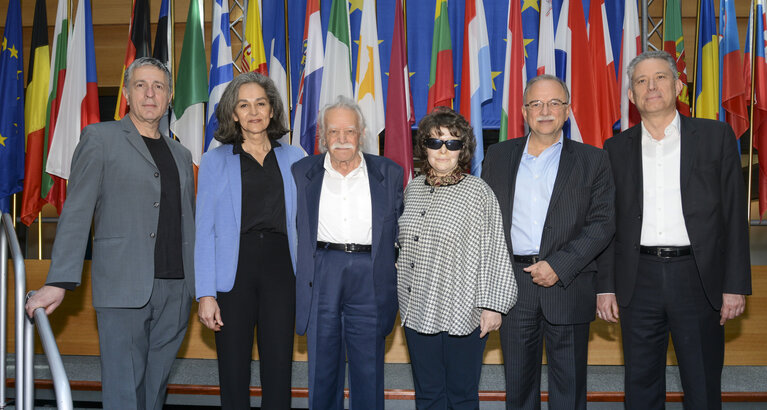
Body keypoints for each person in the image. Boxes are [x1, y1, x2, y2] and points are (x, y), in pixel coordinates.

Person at [25, 57, 195, 410]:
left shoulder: (182, 154)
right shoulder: (100, 138)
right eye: (141, 85)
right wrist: (59, 280)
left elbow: (187, 221)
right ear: (128, 95)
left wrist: (199, 287)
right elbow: (76, 212)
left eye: (159, 86)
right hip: (122, 288)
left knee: (154, 394)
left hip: (176, 290)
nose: (150, 93)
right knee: (123, 395)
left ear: (169, 97)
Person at [597, 50, 751, 410]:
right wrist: (605, 287)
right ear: (632, 96)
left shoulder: (716, 137)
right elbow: (608, 224)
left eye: (661, 77)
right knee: (640, 384)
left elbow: (732, 215)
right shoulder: (614, 149)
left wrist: (734, 286)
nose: (652, 86)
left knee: (702, 383)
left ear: (678, 86)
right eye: (641, 81)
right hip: (638, 280)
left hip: (698, 277)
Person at [482, 74, 615, 410]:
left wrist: (559, 265)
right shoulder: (497, 156)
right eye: (536, 103)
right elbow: (484, 221)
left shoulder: (593, 160)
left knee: (568, 389)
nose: (545, 110)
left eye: (554, 103)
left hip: (568, 285)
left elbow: (602, 223)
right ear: (524, 111)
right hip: (513, 285)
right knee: (519, 388)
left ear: (567, 111)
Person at [195, 72, 304, 409]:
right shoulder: (214, 161)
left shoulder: (296, 157)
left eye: (261, 103)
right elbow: (204, 232)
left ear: (272, 111)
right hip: (233, 273)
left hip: (281, 269)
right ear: (233, 113)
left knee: (278, 369)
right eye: (244, 105)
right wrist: (205, 294)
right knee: (233, 370)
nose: (253, 112)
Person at [397, 107, 517, 409]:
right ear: (424, 146)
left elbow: (495, 250)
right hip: (418, 308)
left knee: (461, 395)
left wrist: (493, 306)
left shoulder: (478, 191)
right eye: (435, 142)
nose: (443, 150)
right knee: (428, 393)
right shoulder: (413, 189)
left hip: (463, 310)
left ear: (462, 150)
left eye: (452, 143)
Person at [291, 96, 403, 409]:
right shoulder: (301, 173)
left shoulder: (389, 173)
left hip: (370, 273)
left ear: (362, 133)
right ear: (322, 136)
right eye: (334, 132)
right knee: (322, 370)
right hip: (322, 271)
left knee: (369, 370)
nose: (342, 139)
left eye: (349, 132)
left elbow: (400, 230)